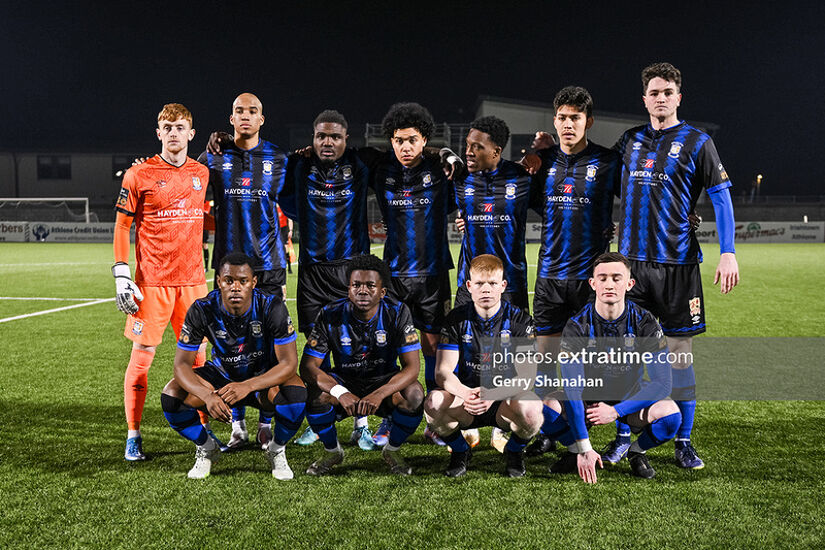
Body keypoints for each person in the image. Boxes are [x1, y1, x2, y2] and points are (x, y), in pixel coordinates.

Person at [605, 62, 740, 469]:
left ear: (678, 97)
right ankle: (623, 436)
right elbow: (597, 179)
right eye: (653, 92)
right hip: (631, 265)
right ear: (644, 98)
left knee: (680, 353)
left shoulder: (698, 143)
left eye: (667, 92)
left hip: (678, 266)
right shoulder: (628, 141)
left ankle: (683, 440)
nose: (660, 98)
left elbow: (720, 197)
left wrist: (728, 251)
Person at [525, 86, 621, 457]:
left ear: (588, 121)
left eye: (575, 118)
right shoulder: (542, 162)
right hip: (549, 275)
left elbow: (640, 195)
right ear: (554, 121)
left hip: (588, 279)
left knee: (588, 360)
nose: (568, 124)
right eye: (562, 118)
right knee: (547, 360)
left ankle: (593, 425)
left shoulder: (608, 162)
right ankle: (552, 428)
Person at [113, 103, 209, 461]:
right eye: (167, 127)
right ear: (158, 133)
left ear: (191, 133)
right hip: (152, 284)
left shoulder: (202, 172)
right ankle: (133, 434)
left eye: (180, 127)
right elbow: (123, 226)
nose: (173, 133)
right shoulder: (138, 175)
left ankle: (204, 426)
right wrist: (122, 273)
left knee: (200, 361)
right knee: (142, 361)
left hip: (194, 284)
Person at [278, 110, 378, 449]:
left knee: (358, 348)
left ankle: (361, 423)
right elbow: (281, 196)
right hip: (311, 272)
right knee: (316, 352)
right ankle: (321, 419)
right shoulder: (300, 166)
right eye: (322, 136)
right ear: (313, 137)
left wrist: (444, 153)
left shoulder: (362, 163)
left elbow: (405, 160)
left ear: (346, 138)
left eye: (335, 136)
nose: (328, 142)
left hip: (350, 270)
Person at [160, 253, 306, 479]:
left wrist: (248, 386)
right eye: (229, 281)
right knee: (172, 395)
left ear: (253, 282)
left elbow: (289, 363)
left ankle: (277, 449)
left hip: (261, 378)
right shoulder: (202, 309)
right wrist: (207, 396)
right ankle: (206, 447)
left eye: (243, 281)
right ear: (218, 281)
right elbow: (181, 366)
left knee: (296, 394)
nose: (235, 287)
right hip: (221, 377)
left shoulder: (271, 306)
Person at [199, 93, 290, 450]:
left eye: (252, 111)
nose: (246, 116)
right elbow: (184, 181)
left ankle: (266, 421)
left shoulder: (279, 158)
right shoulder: (213, 156)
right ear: (231, 118)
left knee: (268, 345)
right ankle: (238, 424)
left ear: (262, 119)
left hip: (268, 265)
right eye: (239, 111)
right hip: (227, 265)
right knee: (228, 343)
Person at [542, 252, 682, 482]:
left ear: (629, 284)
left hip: (628, 397)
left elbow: (662, 383)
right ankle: (575, 451)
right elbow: (573, 389)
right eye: (603, 278)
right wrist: (584, 446)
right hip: (587, 399)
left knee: (671, 417)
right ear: (593, 283)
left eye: (617, 278)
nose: (609, 284)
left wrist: (617, 411)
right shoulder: (577, 325)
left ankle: (636, 452)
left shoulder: (645, 322)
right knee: (543, 409)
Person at [369, 102, 459, 446]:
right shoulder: (381, 170)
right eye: (398, 140)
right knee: (388, 345)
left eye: (412, 140)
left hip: (433, 271)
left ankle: (436, 418)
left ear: (424, 141)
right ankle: (390, 417)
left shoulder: (441, 171)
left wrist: (446, 153)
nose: (404, 147)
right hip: (393, 273)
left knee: (433, 343)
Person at [300, 255, 424, 476]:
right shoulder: (330, 313)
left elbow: (412, 368)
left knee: (413, 394)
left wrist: (379, 394)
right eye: (356, 285)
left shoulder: (397, 312)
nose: (362, 291)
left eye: (370, 286)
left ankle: (392, 450)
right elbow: (309, 367)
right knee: (315, 395)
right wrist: (340, 392)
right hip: (346, 381)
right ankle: (332, 451)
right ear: (348, 289)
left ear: (382, 292)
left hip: (383, 381)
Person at [425, 254, 543, 478]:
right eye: (479, 283)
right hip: (467, 400)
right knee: (434, 402)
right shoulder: (456, 319)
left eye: (492, 283)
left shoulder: (520, 321)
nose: (486, 289)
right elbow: (442, 372)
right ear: (469, 286)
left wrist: (492, 395)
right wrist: (465, 393)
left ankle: (514, 451)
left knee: (532, 408)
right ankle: (461, 451)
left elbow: (526, 377)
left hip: (504, 402)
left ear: (503, 286)